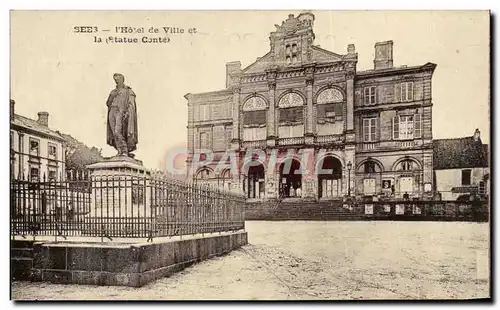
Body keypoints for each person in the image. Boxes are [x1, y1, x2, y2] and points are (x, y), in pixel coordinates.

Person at [106, 73, 138, 157]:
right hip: (112, 111)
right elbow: (108, 103)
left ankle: (124, 150)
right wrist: (112, 96)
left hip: (121, 111)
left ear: (122, 79)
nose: (116, 81)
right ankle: (120, 151)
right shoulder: (113, 92)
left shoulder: (128, 91)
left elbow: (131, 103)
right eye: (115, 79)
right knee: (114, 132)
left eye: (118, 79)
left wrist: (128, 112)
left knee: (117, 131)